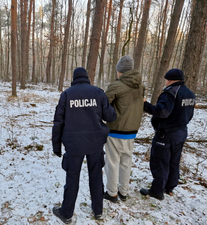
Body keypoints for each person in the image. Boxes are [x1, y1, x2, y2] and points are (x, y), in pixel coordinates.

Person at [52, 67, 116, 224]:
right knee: (96, 177)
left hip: (73, 145)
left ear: (74, 78)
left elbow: (58, 122)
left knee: (72, 179)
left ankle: (66, 213)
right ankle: (98, 211)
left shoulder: (67, 95)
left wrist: (56, 145)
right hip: (95, 143)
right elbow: (110, 116)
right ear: (87, 78)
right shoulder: (98, 93)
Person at [140, 68, 195, 200]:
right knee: (173, 160)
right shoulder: (190, 93)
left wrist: (145, 105)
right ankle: (170, 186)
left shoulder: (170, 93)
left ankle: (157, 190)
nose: (165, 82)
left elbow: (162, 112)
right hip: (181, 132)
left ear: (169, 80)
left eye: (166, 79)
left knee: (160, 161)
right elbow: (190, 114)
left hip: (166, 134)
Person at [104, 55, 145, 203]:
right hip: (132, 131)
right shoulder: (140, 86)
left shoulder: (117, 86)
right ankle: (124, 192)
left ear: (119, 70)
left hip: (116, 130)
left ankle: (112, 193)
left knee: (112, 163)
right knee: (126, 163)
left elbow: (103, 105)